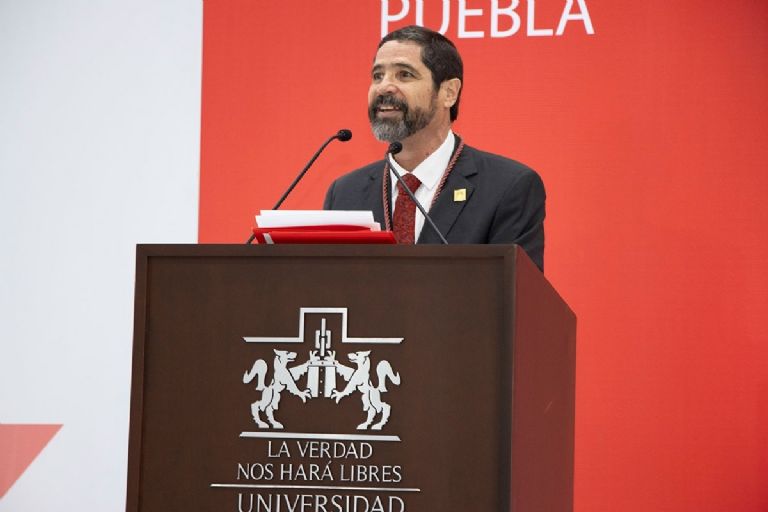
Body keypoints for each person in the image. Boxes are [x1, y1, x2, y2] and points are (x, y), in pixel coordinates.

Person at [323, 25, 546, 271]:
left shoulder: (507, 187)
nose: (384, 87)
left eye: (404, 75)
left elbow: (515, 290)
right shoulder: (345, 192)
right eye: (378, 76)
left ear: (449, 93)